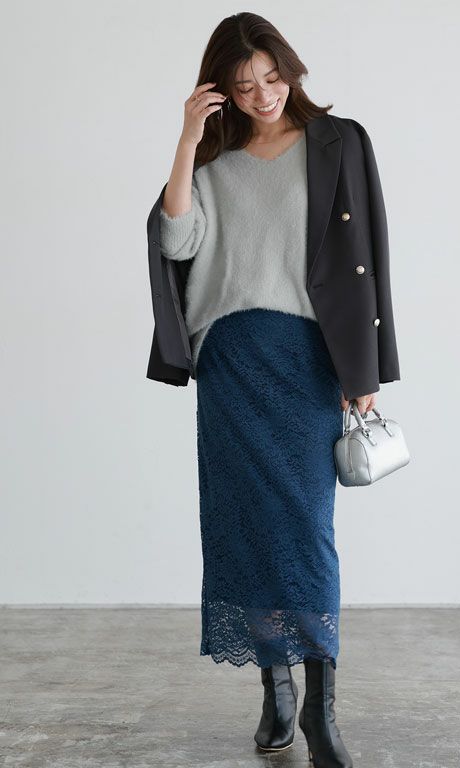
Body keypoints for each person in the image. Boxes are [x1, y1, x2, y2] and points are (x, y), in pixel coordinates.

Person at [154, 12, 400, 768]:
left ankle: (321, 710)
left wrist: (364, 370)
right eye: (242, 85)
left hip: (307, 358)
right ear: (219, 93)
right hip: (232, 361)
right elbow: (177, 241)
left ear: (290, 72)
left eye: (271, 77)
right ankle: (277, 691)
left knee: (305, 529)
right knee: (246, 528)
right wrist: (187, 140)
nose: (262, 94)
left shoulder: (339, 142)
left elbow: (368, 254)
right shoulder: (213, 164)